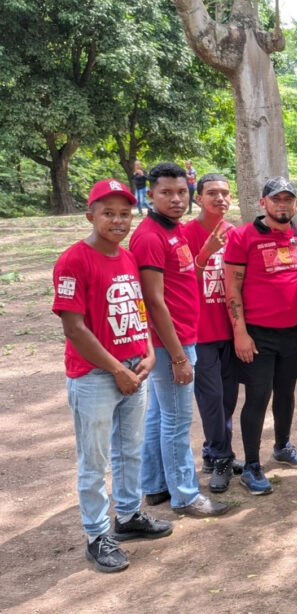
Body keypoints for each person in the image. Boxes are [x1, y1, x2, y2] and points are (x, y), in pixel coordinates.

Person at [53, 179, 172, 573]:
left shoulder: (127, 258)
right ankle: (96, 535)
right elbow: (74, 329)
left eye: (124, 213)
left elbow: (138, 309)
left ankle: (128, 516)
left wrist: (149, 352)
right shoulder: (73, 260)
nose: (118, 221)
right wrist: (117, 370)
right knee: (94, 460)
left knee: (130, 450)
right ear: (90, 216)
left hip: (133, 368)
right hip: (95, 376)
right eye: (108, 213)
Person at [129, 162, 227, 517]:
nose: (176, 199)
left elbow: (184, 277)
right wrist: (178, 357)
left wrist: (206, 253)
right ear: (150, 194)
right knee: (176, 421)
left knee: (159, 415)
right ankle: (185, 496)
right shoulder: (150, 237)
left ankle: (155, 484)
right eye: (166, 193)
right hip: (172, 342)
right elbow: (154, 302)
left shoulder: (174, 230)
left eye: (181, 192)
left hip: (182, 336)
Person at [223, 177, 297, 495]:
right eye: (276, 199)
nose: (283, 204)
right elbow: (232, 287)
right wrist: (240, 333)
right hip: (257, 335)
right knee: (258, 396)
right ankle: (251, 465)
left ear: (296, 204)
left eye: (288, 199)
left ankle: (282, 446)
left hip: (294, 332)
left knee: (286, 392)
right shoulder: (242, 237)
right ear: (263, 203)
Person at [181, 173, 241, 492]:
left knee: (228, 397)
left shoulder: (235, 233)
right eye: (212, 193)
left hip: (229, 329)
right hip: (200, 332)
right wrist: (204, 253)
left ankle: (213, 451)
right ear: (198, 198)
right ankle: (220, 457)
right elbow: (180, 285)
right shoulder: (185, 234)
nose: (220, 198)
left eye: (225, 193)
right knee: (211, 398)